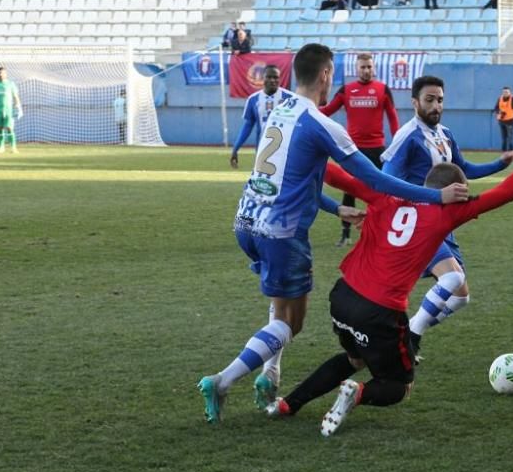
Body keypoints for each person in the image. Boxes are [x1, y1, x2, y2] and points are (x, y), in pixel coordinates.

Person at [196, 44, 470, 425]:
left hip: (246, 221)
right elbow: (373, 179)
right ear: (326, 75)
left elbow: (292, 177)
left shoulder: (278, 109)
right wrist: (435, 195)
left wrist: (335, 208)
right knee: (290, 323)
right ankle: (221, 381)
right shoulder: (322, 124)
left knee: (280, 306)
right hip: (281, 233)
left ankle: (269, 375)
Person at [265, 127, 513, 436]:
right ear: (456, 193)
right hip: (379, 312)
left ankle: (287, 404)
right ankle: (356, 394)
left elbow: (335, 176)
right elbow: (508, 192)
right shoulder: (447, 214)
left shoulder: (386, 192)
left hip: (342, 298)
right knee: (398, 386)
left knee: (355, 358)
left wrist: (294, 148)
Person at [382, 75, 513, 357]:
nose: (436, 105)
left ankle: (406, 332)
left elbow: (464, 169)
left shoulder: (445, 134)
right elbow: (386, 181)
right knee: (452, 279)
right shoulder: (408, 136)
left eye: (440, 100)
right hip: (420, 223)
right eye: (429, 100)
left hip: (444, 223)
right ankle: (411, 339)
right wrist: (420, 203)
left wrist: (500, 163)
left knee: (460, 297)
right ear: (415, 102)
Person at [321, 53, 399, 246]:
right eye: (363, 67)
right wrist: (306, 110)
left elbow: (393, 119)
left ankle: (384, 231)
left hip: (377, 150)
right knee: (349, 191)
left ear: (374, 68)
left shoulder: (383, 90)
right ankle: (346, 234)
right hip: (352, 151)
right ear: (356, 69)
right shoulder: (347, 90)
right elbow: (328, 110)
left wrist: (397, 144)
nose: (366, 70)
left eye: (369, 67)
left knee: (381, 191)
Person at [230, 66, 294, 169]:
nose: (272, 80)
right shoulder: (253, 99)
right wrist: (236, 148)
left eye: (275, 77)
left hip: (286, 150)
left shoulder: (289, 98)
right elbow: (248, 126)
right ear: (262, 78)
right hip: (262, 150)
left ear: (279, 79)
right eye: (268, 77)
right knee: (263, 183)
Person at [0, 66, 23, 153]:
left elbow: (15, 96)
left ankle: (13, 148)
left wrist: (18, 106)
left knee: (9, 128)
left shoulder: (11, 84)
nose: (0, 74)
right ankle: (1, 147)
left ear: (6, 74)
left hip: (8, 110)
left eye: (2, 73)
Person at [493, 86, 513, 151]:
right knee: (504, 138)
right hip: (501, 121)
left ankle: (511, 152)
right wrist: (498, 113)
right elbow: (496, 108)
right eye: (504, 92)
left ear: (510, 92)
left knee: (510, 138)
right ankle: (503, 152)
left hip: (510, 121)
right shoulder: (500, 99)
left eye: (507, 92)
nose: (505, 93)